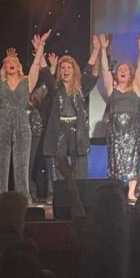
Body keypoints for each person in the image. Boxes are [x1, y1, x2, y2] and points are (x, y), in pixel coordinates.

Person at [0, 29, 48, 200]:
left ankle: (23, 198)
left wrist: (41, 45)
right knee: (1, 164)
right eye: (8, 62)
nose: (11, 63)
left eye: (14, 60)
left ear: (19, 65)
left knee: (22, 164)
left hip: (22, 124)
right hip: (2, 124)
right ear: (4, 67)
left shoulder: (27, 81)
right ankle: (0, 198)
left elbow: (36, 65)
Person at [39, 37, 100, 180]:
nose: (66, 70)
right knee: (59, 163)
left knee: (80, 161)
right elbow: (45, 73)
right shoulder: (55, 88)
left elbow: (88, 69)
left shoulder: (80, 88)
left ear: (74, 70)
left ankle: (80, 193)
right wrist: (40, 47)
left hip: (77, 128)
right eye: (63, 67)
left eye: (69, 67)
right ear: (59, 71)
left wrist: (96, 49)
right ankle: (58, 194)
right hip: (59, 128)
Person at [99, 32, 140, 202]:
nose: (123, 71)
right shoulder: (112, 89)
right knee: (116, 160)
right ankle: (117, 191)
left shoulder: (136, 90)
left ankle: (131, 192)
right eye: (120, 69)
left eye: (126, 69)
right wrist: (103, 50)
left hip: (132, 131)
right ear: (116, 75)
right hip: (115, 131)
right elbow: (104, 70)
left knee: (133, 159)